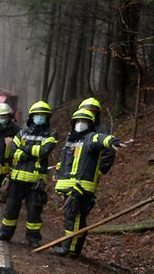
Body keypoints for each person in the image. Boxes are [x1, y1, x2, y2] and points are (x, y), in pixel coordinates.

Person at [51, 108, 126, 257]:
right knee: (72, 216)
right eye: (78, 121)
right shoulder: (70, 141)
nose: (80, 124)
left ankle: (69, 248)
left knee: (75, 217)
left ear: (90, 124)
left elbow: (102, 139)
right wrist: (58, 173)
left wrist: (113, 141)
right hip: (69, 186)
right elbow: (65, 162)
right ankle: (71, 245)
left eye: (84, 121)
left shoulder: (91, 138)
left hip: (81, 187)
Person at [0, 100, 57, 247]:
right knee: (11, 208)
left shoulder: (51, 134)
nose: (39, 118)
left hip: (36, 181)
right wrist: (26, 152)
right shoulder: (22, 132)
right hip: (17, 178)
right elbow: (11, 151)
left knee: (34, 211)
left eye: (43, 115)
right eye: (37, 115)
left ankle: (33, 238)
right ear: (32, 116)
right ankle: (5, 233)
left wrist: (24, 149)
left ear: (47, 117)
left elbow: (44, 151)